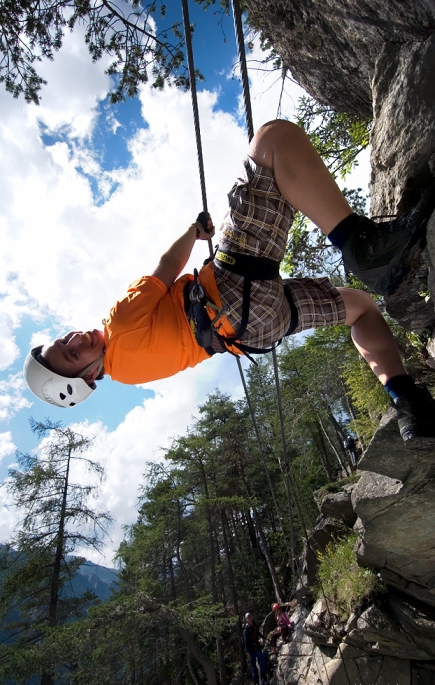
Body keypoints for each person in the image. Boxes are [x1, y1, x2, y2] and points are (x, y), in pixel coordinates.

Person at [23, 119, 435, 448]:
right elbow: (167, 266)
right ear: (88, 377)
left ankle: (408, 403)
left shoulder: (130, 375)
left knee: (360, 307)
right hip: (235, 289)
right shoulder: (118, 324)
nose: (74, 339)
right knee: (273, 141)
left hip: (255, 331)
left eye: (63, 340)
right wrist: (194, 232)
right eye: (72, 353)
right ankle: (361, 245)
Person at [242, 612, 270, 685]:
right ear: (246, 619)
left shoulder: (254, 625)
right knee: (254, 666)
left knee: (262, 663)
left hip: (257, 647)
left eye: (250, 616)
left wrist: (264, 638)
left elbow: (258, 633)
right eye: (248, 617)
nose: (250, 618)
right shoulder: (246, 629)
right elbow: (245, 642)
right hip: (251, 650)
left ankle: (264, 680)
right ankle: (256, 682)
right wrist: (247, 652)